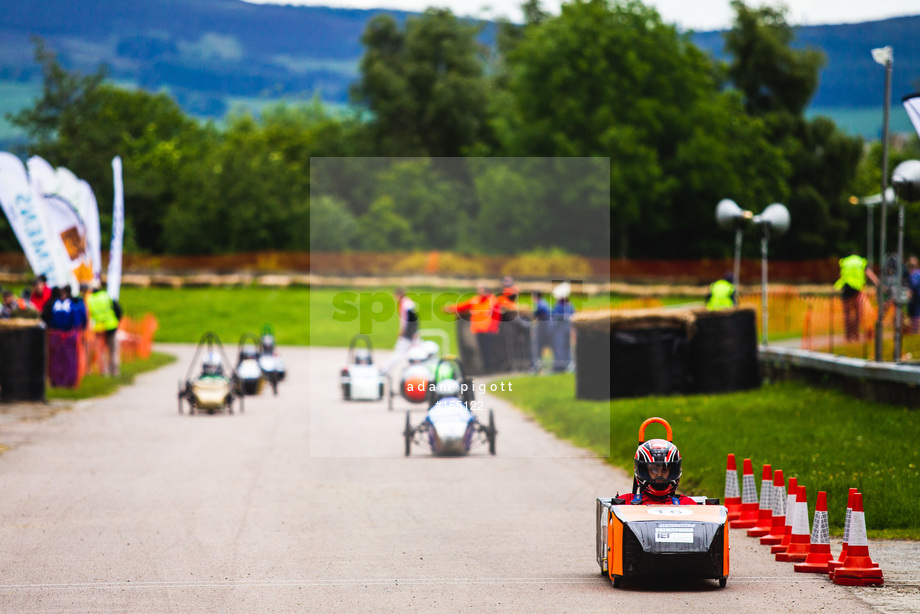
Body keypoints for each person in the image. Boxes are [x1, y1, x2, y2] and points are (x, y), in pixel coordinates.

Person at [444, 284, 513, 374]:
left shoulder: (493, 301)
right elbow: (463, 306)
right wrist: (450, 308)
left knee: (490, 350)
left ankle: (492, 368)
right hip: (479, 330)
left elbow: (497, 315)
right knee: (483, 351)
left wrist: (494, 327)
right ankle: (486, 368)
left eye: (481, 290)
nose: (479, 292)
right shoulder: (476, 300)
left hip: (489, 330)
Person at [615, 439, 697, 505]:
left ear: (673, 471)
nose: (659, 475)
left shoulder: (687, 504)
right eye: (654, 470)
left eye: (665, 470)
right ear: (644, 471)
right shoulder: (626, 502)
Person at [834, 254, 879, 341]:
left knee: (847, 313)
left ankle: (848, 334)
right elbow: (868, 273)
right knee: (858, 312)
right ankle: (855, 333)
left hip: (846, 288)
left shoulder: (845, 261)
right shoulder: (860, 261)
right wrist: (877, 282)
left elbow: (840, 275)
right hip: (857, 289)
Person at [379, 288, 419, 376]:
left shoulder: (407, 304)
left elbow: (413, 319)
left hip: (409, 333)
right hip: (409, 332)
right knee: (404, 352)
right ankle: (385, 368)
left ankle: (384, 368)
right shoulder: (404, 303)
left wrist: (412, 332)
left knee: (400, 352)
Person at [87, 282, 123, 376]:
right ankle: (115, 370)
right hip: (111, 326)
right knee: (113, 349)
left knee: (101, 350)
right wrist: (117, 320)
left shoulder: (90, 299)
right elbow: (118, 309)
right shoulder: (107, 296)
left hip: (99, 328)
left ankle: (104, 371)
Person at [906, 255, 920, 334]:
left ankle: (914, 329)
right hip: (915, 295)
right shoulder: (913, 273)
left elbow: (913, 285)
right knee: (912, 311)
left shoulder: (914, 274)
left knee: (915, 312)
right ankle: (913, 328)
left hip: (916, 295)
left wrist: (909, 292)